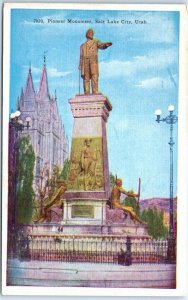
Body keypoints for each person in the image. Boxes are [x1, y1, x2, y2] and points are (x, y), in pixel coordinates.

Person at [79, 28, 112, 94]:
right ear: (87, 34)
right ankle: (87, 92)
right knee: (86, 78)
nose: (92, 34)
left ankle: (95, 91)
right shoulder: (82, 46)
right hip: (85, 62)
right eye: (90, 33)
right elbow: (81, 56)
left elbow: (101, 45)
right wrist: (80, 64)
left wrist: (105, 45)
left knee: (94, 76)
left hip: (93, 62)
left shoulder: (95, 42)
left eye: (92, 33)